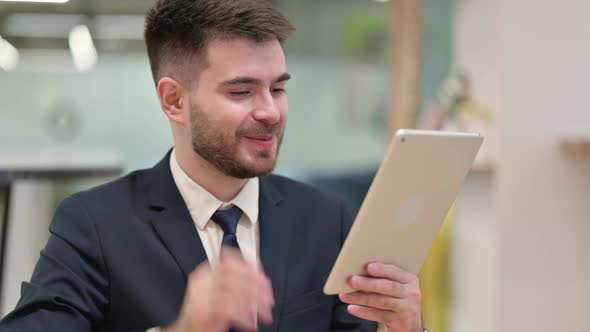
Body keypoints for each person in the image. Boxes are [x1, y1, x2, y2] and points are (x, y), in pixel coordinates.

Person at [0, 0, 425, 331]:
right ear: (174, 100)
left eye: (277, 88)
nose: (270, 112)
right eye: (242, 92)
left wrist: (409, 329)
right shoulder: (94, 224)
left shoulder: (325, 218)